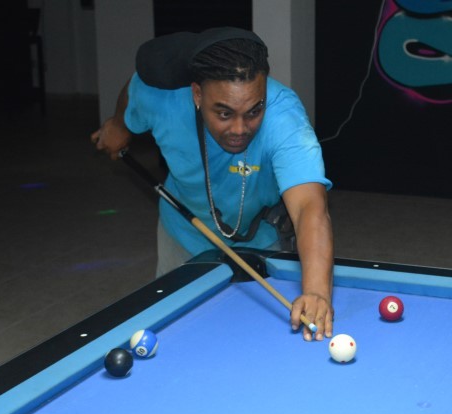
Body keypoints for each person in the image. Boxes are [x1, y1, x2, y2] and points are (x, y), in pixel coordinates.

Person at [91, 27, 334, 342]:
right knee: (177, 339)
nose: (239, 129)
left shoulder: (284, 117)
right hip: (182, 235)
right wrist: (119, 124)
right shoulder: (163, 99)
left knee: (255, 342)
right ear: (197, 95)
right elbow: (136, 87)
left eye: (254, 111)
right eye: (224, 113)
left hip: (260, 242)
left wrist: (316, 292)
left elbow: (309, 207)